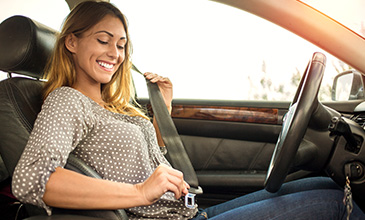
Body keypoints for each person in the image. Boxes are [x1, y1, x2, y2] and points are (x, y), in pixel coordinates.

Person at [11, 1, 365, 219]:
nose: (115, 54)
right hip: (160, 219)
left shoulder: (111, 105)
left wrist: (161, 112)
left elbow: (147, 164)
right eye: (102, 40)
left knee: (323, 183)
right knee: (336, 206)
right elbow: (31, 181)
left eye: (121, 45)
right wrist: (139, 193)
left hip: (186, 213)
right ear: (71, 41)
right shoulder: (67, 101)